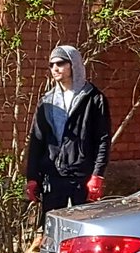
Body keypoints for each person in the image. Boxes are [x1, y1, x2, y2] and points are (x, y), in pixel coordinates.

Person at [25, 45, 111, 222]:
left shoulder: (94, 98)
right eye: (51, 65)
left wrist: (97, 174)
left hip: (82, 175)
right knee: (53, 227)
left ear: (74, 64)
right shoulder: (47, 102)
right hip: (54, 176)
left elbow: (103, 139)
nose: (55, 68)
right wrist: (32, 177)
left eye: (60, 63)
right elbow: (37, 140)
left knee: (83, 226)